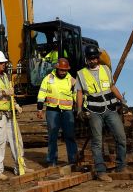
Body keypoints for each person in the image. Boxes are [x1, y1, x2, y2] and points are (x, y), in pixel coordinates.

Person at [75, 44, 127, 182]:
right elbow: (79, 92)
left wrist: (122, 100)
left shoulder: (105, 69)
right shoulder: (81, 74)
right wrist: (79, 109)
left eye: (94, 58)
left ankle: (121, 166)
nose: (92, 61)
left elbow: (112, 86)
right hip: (93, 111)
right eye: (90, 59)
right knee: (97, 142)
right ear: (86, 59)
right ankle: (100, 171)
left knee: (121, 137)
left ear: (97, 58)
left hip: (110, 109)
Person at [0, 50, 33, 180]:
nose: (3, 65)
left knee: (17, 140)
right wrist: (4, 92)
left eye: (4, 63)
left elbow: (10, 95)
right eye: (0, 63)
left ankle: (20, 166)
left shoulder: (5, 76)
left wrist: (15, 104)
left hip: (9, 112)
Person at [36, 57, 77, 168]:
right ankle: (51, 161)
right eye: (61, 69)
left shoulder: (72, 80)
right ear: (57, 68)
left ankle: (73, 160)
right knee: (52, 136)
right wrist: (39, 108)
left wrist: (80, 107)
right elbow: (41, 93)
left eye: (65, 70)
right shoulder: (48, 78)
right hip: (52, 111)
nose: (63, 72)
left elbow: (77, 95)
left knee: (69, 135)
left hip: (67, 111)